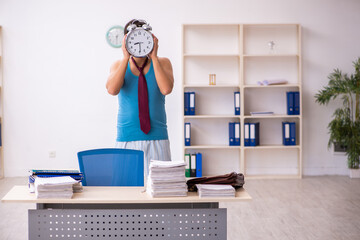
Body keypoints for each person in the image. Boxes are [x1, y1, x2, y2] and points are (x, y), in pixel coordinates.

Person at [106, 19, 174, 176]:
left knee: (160, 188)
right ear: (126, 41)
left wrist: (154, 57)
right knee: (126, 189)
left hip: (157, 137)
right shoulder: (118, 65)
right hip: (127, 138)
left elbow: (166, 89)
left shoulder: (163, 63)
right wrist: (125, 58)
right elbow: (112, 89)